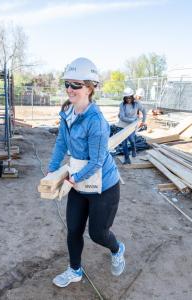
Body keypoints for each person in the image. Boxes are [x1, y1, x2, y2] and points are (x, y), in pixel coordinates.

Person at [48, 57, 125, 288]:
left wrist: (74, 178)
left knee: (98, 234)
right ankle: (74, 270)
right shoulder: (67, 113)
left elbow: (98, 161)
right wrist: (51, 173)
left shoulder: (97, 121)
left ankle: (117, 248)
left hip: (103, 185)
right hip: (79, 182)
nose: (69, 89)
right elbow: (61, 142)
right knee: (73, 230)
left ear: (90, 87)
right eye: (67, 84)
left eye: (76, 85)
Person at [118, 87, 146, 164]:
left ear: (132, 96)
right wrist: (133, 120)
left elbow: (144, 111)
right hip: (122, 125)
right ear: (124, 98)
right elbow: (122, 117)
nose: (128, 99)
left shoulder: (137, 104)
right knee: (124, 143)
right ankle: (127, 159)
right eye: (126, 98)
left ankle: (134, 149)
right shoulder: (122, 105)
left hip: (132, 126)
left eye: (130, 97)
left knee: (132, 140)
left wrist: (143, 121)